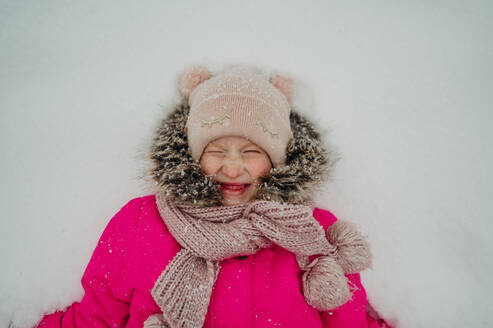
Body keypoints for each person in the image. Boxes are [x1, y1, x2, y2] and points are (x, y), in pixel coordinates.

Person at [35, 65, 391, 327]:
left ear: (278, 158)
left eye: (252, 151)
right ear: (192, 154)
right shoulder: (140, 221)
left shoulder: (311, 232)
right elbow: (95, 320)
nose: (232, 169)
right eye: (216, 150)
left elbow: (349, 321)